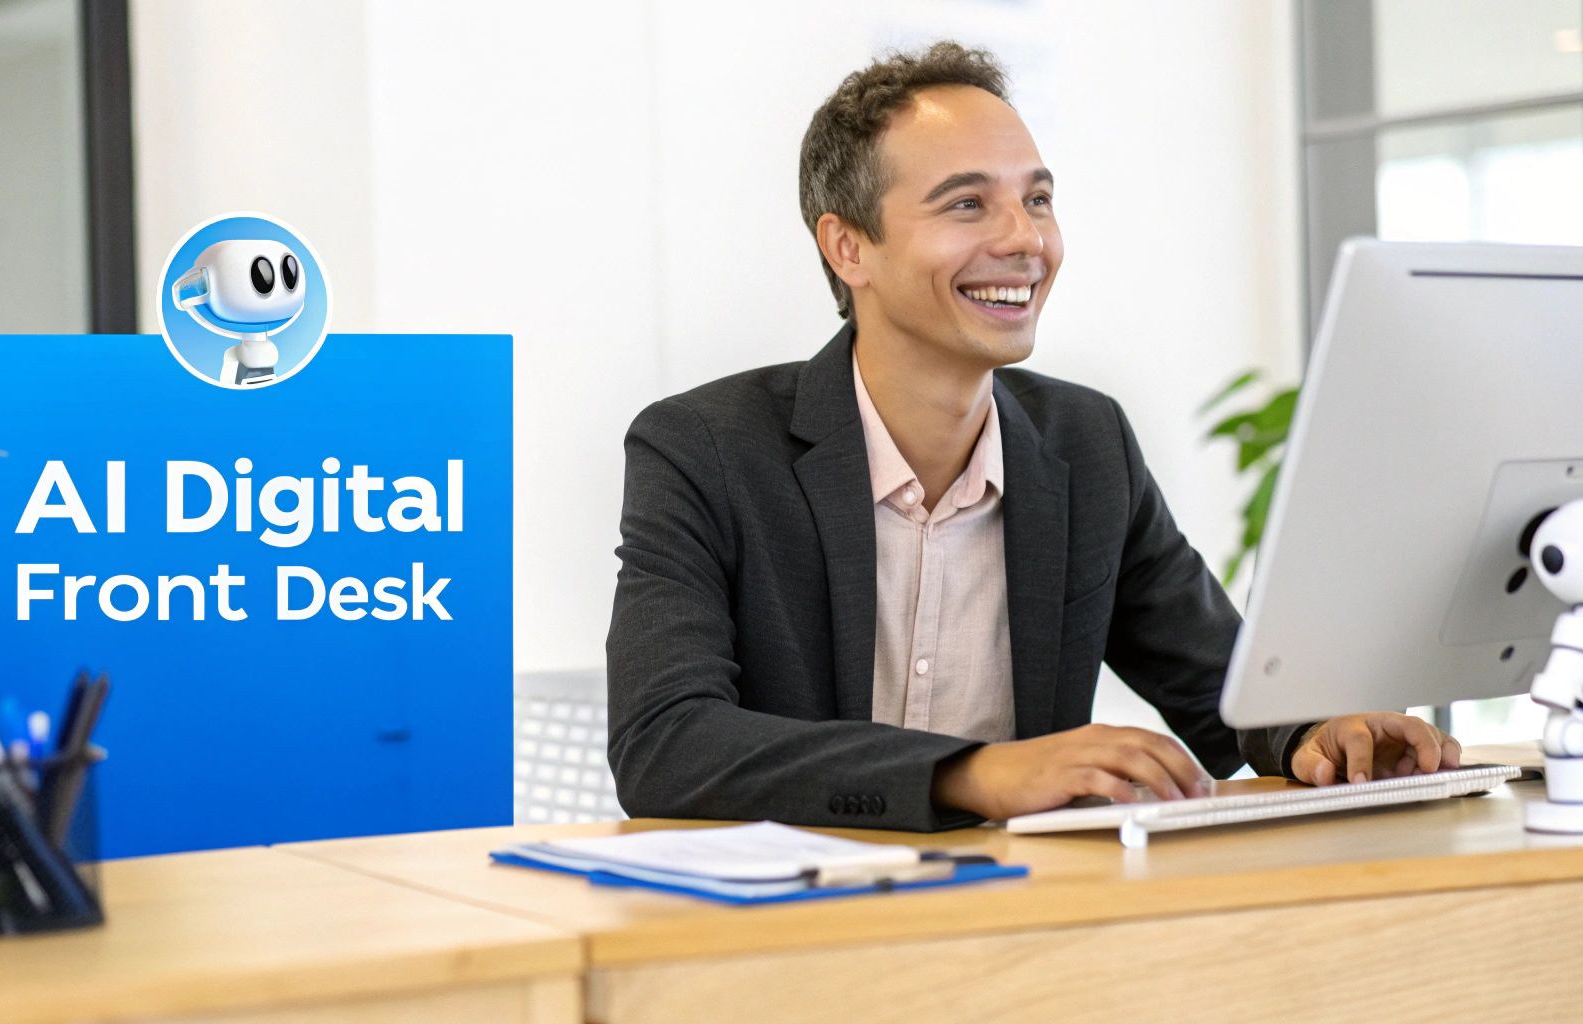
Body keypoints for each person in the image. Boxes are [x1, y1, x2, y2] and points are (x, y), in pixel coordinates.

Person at [605, 41, 1459, 831]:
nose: (1025, 240)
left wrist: (1320, 730)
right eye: (968, 203)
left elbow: (1223, 686)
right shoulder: (705, 450)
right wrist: (972, 774)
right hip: (793, 934)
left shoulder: (1084, 444)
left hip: (1027, 924)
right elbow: (667, 745)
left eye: (1038, 200)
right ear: (848, 246)